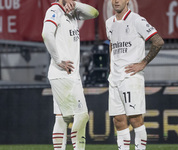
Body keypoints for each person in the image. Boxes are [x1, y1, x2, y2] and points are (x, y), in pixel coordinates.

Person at [105, 0, 164, 150]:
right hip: (115, 78)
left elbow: (158, 41)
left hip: (131, 77)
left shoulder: (137, 20)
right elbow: (112, 43)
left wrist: (143, 63)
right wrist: (112, 67)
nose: (116, 1)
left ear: (127, 1)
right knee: (118, 120)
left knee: (135, 119)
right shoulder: (109, 22)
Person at [42, 0, 99, 150]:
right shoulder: (54, 11)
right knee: (82, 115)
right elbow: (46, 34)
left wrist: (76, 4)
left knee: (62, 118)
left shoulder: (73, 12)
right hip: (63, 73)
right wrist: (58, 60)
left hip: (68, 74)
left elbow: (94, 13)